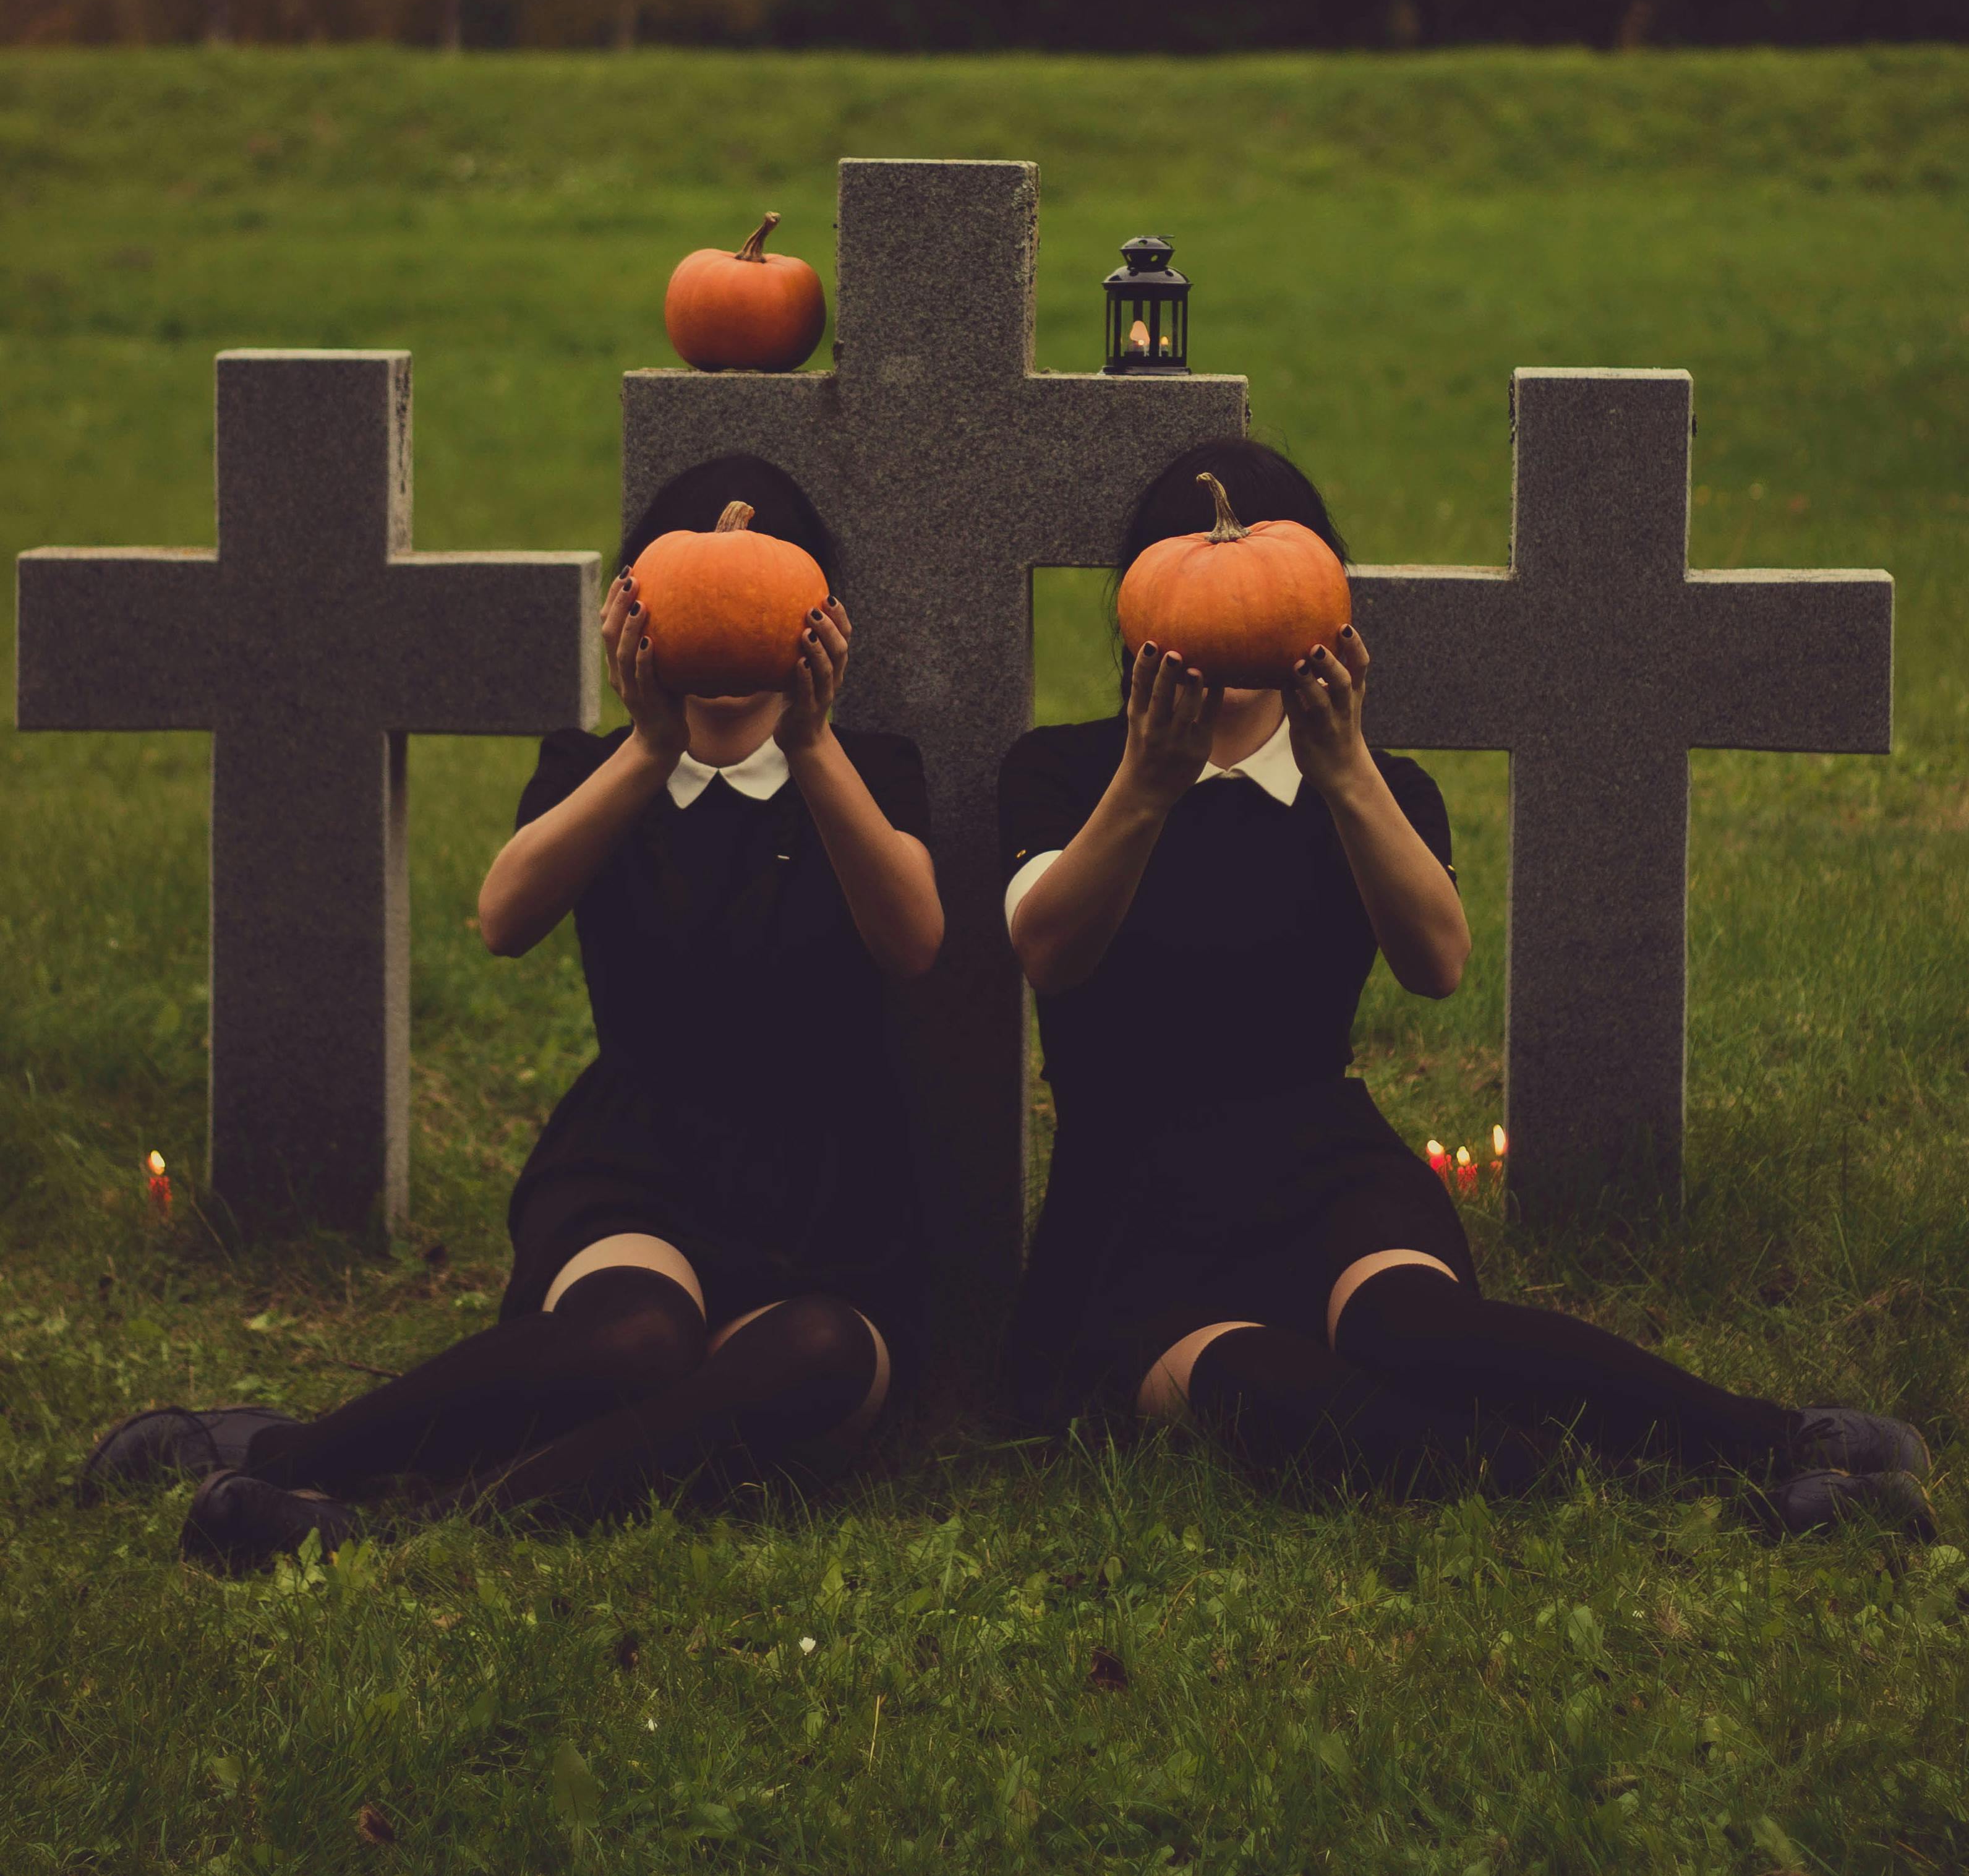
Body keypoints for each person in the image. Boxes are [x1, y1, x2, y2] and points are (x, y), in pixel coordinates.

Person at [999, 438, 1931, 1537]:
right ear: (1142, 608)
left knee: (1415, 1333)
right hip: (1134, 1210)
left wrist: (1342, 766)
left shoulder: (1373, 785)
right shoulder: (1062, 774)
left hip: (1321, 1165)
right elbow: (1051, 952)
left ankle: (1775, 1441)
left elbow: (1437, 964)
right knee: (1275, 1391)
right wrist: (1147, 787)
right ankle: (1658, 1501)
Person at [82, 453, 943, 1567]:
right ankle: (290, 1450)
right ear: (640, 625)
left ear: (816, 630)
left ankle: (428, 1530)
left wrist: (814, 744)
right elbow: (504, 915)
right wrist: (648, 744)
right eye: (696, 621)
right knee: (636, 1341)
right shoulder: (600, 767)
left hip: (834, 1194)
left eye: (758, 623)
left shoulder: (865, 765)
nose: (727, 657)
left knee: (816, 1354)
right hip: (644, 1163)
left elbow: (912, 939)